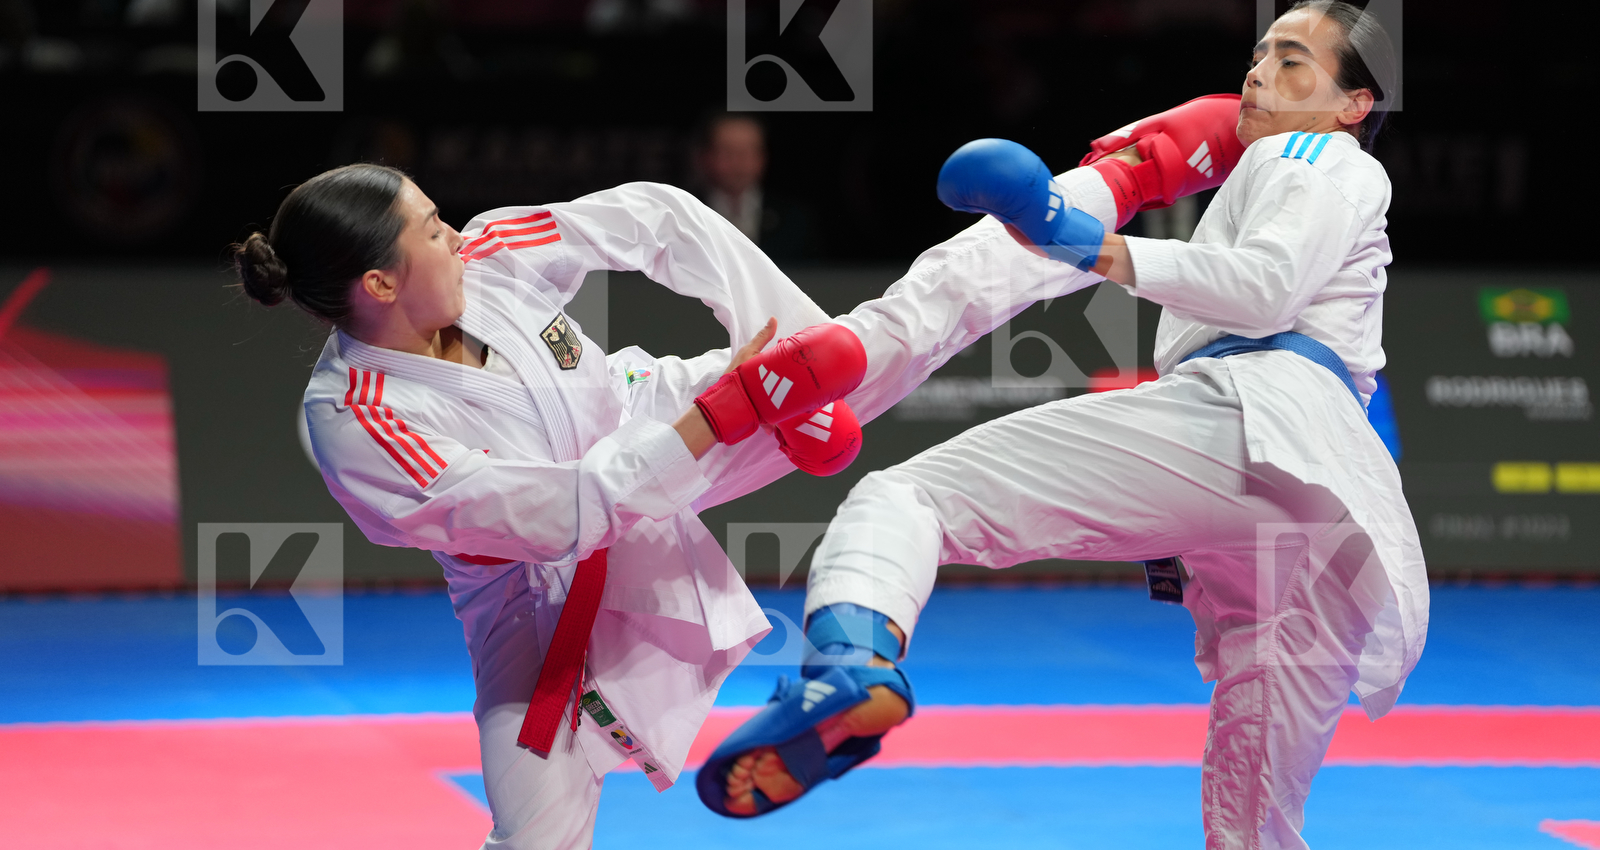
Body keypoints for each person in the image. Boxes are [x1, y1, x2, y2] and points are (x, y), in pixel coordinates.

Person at [233, 115, 1233, 849]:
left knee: (899, 331)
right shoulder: (356, 420)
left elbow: (661, 220)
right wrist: (718, 415)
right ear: (376, 285)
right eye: (430, 228)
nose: (455, 232)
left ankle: (1112, 181)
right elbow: (562, 512)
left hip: (648, 411)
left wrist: (793, 362)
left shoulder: (490, 255)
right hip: (533, 595)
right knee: (532, 830)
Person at [701, 0, 1427, 850]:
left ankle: (846, 666)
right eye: (1259, 55)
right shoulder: (1306, 176)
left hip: (1252, 422)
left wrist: (1088, 243)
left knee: (904, 501)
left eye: (1294, 60)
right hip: (1326, 516)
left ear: (1355, 104)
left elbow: (1263, 288)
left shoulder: (1313, 153)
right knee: (1253, 828)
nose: (1260, 72)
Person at [694, 112, 814, 261]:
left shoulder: (794, 219)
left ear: (763, 156)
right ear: (706, 155)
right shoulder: (686, 214)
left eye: (748, 151)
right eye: (727, 152)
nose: (738, 163)